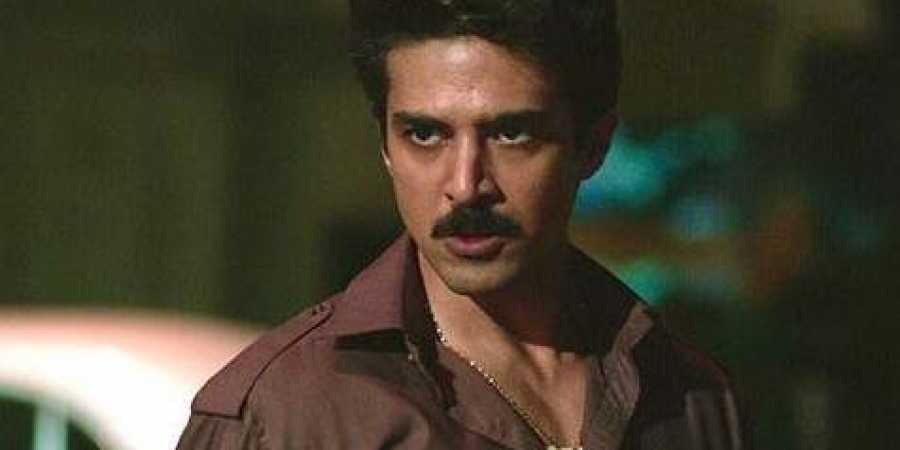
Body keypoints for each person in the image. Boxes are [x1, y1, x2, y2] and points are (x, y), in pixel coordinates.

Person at [177, 1, 744, 449]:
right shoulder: (285, 416)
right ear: (386, 147)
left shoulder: (687, 395)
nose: (466, 185)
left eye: (511, 133)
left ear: (592, 145)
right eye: (426, 135)